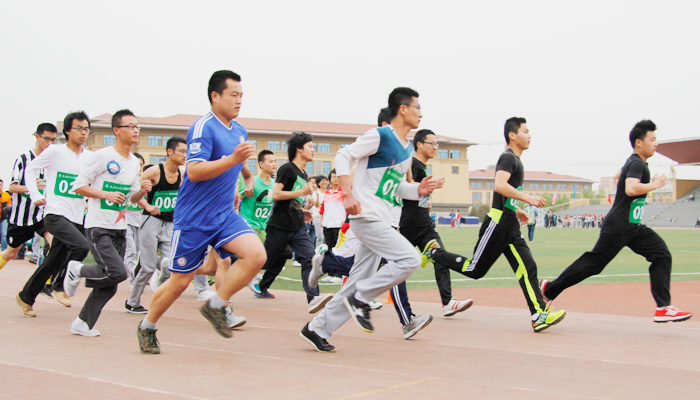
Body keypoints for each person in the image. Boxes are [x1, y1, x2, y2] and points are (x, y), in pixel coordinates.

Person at [137, 70, 267, 354]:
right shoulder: (203, 128)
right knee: (180, 282)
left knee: (256, 256)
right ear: (215, 96)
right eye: (233, 95)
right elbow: (194, 172)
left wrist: (242, 179)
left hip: (223, 214)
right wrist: (232, 159)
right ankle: (147, 326)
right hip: (194, 217)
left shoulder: (239, 130)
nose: (239, 101)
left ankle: (216, 305)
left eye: (241, 95)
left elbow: (237, 162)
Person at [300, 87, 437, 352]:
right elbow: (343, 155)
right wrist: (348, 193)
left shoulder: (406, 148)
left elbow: (395, 187)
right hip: (366, 216)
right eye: (418, 108)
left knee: (355, 280)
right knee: (409, 259)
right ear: (403, 109)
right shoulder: (380, 136)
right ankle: (361, 298)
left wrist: (418, 189)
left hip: (382, 220)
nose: (421, 113)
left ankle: (316, 328)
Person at [541, 120, 692, 323]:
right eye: (652, 139)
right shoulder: (637, 163)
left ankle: (663, 307)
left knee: (661, 255)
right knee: (594, 263)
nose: (656, 143)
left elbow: (617, 177)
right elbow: (630, 188)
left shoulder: (634, 162)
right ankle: (549, 290)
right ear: (639, 142)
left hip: (631, 225)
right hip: (620, 226)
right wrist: (655, 184)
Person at [460, 117, 566, 332]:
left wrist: (517, 210)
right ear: (512, 135)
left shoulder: (516, 161)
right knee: (475, 270)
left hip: (510, 224)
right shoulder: (508, 158)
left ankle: (538, 315)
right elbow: (499, 185)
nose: (529, 136)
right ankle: (436, 255)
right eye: (525, 131)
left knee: (528, 266)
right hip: (498, 223)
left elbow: (505, 194)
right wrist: (527, 199)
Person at [63, 109, 149, 336]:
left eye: (137, 126)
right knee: (118, 273)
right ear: (116, 130)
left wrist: (143, 195)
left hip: (119, 228)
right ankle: (77, 269)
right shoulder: (102, 156)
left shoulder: (133, 163)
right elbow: (78, 185)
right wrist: (105, 194)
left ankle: (82, 323)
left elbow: (131, 199)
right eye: (130, 126)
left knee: (109, 284)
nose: (135, 130)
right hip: (98, 226)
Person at [15, 111, 93, 317]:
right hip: (55, 213)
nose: (83, 132)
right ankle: (59, 286)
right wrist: (34, 194)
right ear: (67, 131)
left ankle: (25, 296)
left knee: (53, 261)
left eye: (86, 129)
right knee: (81, 246)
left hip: (77, 216)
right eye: (79, 128)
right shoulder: (55, 152)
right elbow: (31, 171)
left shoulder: (90, 157)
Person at [398, 128, 474, 318]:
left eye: (436, 144)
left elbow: (418, 195)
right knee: (387, 263)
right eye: (431, 143)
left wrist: (426, 203)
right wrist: (425, 188)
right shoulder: (412, 164)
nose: (435, 147)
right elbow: (405, 188)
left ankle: (448, 303)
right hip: (408, 225)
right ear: (419, 144)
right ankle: (357, 292)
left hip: (424, 225)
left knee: (439, 257)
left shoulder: (422, 167)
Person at [256, 132, 333, 313]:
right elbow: (276, 194)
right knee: (262, 262)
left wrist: (304, 208)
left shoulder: (303, 172)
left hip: (297, 226)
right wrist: (301, 193)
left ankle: (313, 299)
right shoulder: (287, 169)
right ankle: (231, 262)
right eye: (310, 146)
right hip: (279, 227)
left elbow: (291, 201)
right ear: (299, 149)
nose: (313, 150)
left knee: (310, 259)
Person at [125, 136, 187, 314]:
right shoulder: (154, 172)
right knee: (147, 267)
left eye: (186, 152)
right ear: (169, 152)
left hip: (170, 224)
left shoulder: (182, 175)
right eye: (181, 151)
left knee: (174, 265)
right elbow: (133, 197)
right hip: (150, 222)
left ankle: (159, 286)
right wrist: (145, 200)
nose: (185, 155)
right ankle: (132, 302)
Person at [0, 123, 56, 271]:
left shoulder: (53, 161)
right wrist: (32, 187)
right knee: (10, 252)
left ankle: (46, 280)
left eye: (53, 140)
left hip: (44, 214)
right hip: (22, 217)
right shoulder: (23, 160)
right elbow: (12, 187)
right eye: (46, 139)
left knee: (55, 244)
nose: (50, 143)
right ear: (37, 137)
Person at [239, 149, 276, 294]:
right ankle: (253, 279)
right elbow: (237, 198)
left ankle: (206, 275)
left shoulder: (274, 183)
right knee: (264, 252)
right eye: (270, 161)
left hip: (264, 225)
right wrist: (244, 193)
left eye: (275, 161)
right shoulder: (252, 181)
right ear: (261, 164)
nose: (274, 164)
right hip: (250, 225)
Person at [124, 153, 145, 285]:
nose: (139, 167)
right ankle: (133, 281)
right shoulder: (126, 179)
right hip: (125, 220)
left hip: (140, 221)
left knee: (138, 252)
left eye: (141, 165)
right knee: (130, 251)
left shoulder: (145, 181)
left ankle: (136, 275)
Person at [320, 169, 345, 249]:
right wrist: (322, 220)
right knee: (330, 247)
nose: (335, 179)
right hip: (327, 224)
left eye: (337, 177)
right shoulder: (327, 192)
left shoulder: (343, 191)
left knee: (339, 248)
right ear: (330, 179)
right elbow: (323, 207)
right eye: (333, 177)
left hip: (339, 224)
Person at [0, 179, 11, 251]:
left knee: (4, 234)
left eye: (1, 185)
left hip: (3, 217)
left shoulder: (6, 195)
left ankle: (4, 251)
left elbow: (9, 205)